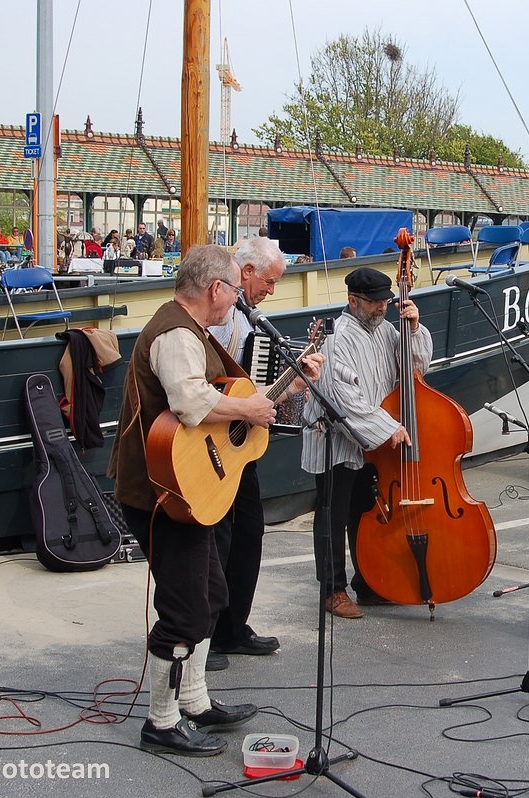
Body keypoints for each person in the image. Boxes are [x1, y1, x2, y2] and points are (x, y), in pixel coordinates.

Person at [107, 244, 290, 756]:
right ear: (216, 289)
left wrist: (253, 406)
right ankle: (161, 722)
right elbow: (189, 403)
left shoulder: (192, 332)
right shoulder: (176, 334)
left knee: (210, 593)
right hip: (163, 491)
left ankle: (195, 701)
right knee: (184, 609)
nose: (236, 299)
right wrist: (249, 409)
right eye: (233, 290)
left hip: (186, 486)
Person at [301, 267, 432, 619]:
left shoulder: (389, 330)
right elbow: (341, 396)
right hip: (337, 438)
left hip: (371, 440)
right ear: (353, 300)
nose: (381, 308)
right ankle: (332, 590)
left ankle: (369, 583)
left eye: (385, 302)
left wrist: (415, 329)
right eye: (374, 302)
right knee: (333, 514)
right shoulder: (336, 337)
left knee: (365, 513)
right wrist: (386, 427)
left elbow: (416, 370)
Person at [205, 237, 306, 671]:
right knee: (215, 540)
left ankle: (232, 627)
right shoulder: (212, 316)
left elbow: (251, 391)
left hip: (238, 445)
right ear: (244, 273)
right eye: (268, 281)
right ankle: (201, 637)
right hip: (209, 444)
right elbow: (208, 388)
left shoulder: (248, 319)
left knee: (248, 533)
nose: (271, 290)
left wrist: (291, 386)